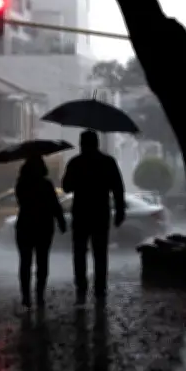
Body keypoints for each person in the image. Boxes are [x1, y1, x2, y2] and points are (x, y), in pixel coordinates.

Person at [62, 130, 125, 305]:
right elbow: (118, 189)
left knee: (80, 252)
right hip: (100, 213)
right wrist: (120, 211)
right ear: (97, 143)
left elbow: (66, 187)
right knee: (100, 252)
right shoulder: (108, 162)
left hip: (81, 213)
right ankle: (100, 287)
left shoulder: (75, 163)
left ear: (82, 143)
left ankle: (81, 285)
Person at [14, 155, 67, 309]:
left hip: (25, 226)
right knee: (42, 262)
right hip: (44, 227)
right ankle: (39, 296)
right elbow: (55, 205)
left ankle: (26, 296)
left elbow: (22, 201)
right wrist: (61, 222)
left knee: (25, 262)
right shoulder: (46, 184)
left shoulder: (21, 184)